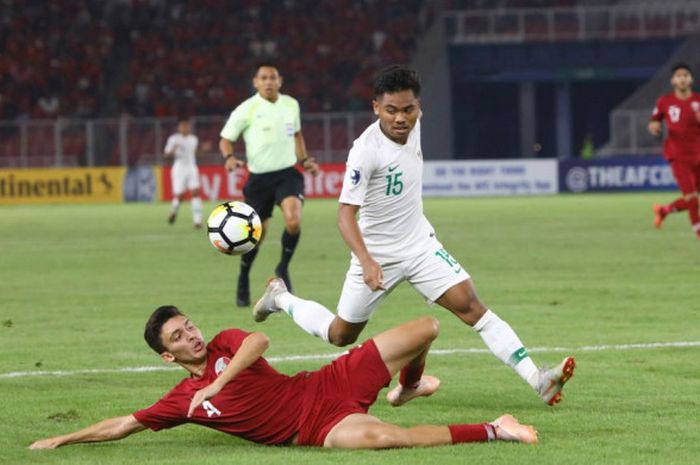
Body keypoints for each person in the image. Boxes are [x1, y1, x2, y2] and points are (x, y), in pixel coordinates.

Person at [253, 65, 575, 406]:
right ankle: (280, 298)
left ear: (419, 107)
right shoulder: (366, 150)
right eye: (391, 110)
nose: (401, 118)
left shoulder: (415, 123)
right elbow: (345, 214)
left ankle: (537, 379)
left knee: (471, 306)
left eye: (408, 109)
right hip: (377, 254)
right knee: (340, 334)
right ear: (376, 107)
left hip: (420, 245)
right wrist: (366, 261)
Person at [29, 306, 538, 450]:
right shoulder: (184, 402)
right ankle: (497, 427)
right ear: (167, 356)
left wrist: (218, 383)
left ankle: (405, 386)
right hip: (315, 429)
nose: (192, 337)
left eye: (189, 327)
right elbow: (123, 424)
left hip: (327, 383)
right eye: (179, 339)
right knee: (384, 438)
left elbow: (260, 342)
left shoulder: (228, 342)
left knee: (425, 327)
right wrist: (62, 438)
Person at [219, 63, 320, 307]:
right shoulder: (247, 109)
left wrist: (304, 159)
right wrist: (229, 158)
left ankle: (283, 267)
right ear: (255, 82)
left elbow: (296, 134)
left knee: (293, 221)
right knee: (256, 236)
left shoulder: (291, 104)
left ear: (280, 81)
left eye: (272, 77)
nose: (268, 82)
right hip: (259, 180)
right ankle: (243, 276)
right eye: (263, 78)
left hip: (287, 174)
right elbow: (225, 139)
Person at [649, 63, 700, 240]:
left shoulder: (698, 101)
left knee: (690, 200)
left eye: (686, 75)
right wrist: (655, 128)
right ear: (673, 80)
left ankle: (664, 210)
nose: (682, 79)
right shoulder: (665, 101)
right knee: (692, 199)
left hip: (698, 156)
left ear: (691, 79)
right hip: (679, 157)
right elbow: (654, 121)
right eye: (679, 76)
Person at [164, 119, 209, 228]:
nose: (185, 128)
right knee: (180, 196)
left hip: (191, 167)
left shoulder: (193, 139)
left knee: (196, 192)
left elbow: (196, 154)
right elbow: (166, 156)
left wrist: (203, 150)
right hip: (179, 168)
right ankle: (174, 211)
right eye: (182, 126)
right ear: (178, 128)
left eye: (186, 126)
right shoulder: (173, 139)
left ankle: (197, 221)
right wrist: (173, 150)